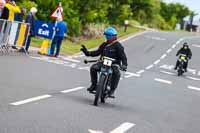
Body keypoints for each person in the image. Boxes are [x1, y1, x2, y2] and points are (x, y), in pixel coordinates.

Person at [81, 27, 128, 96]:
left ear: (111, 36)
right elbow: (97, 52)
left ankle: (112, 90)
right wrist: (87, 52)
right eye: (105, 35)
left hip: (114, 64)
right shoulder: (104, 44)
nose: (105, 37)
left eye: (106, 36)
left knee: (117, 74)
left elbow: (123, 57)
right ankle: (94, 85)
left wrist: (124, 65)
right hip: (103, 62)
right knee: (93, 68)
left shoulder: (118, 46)